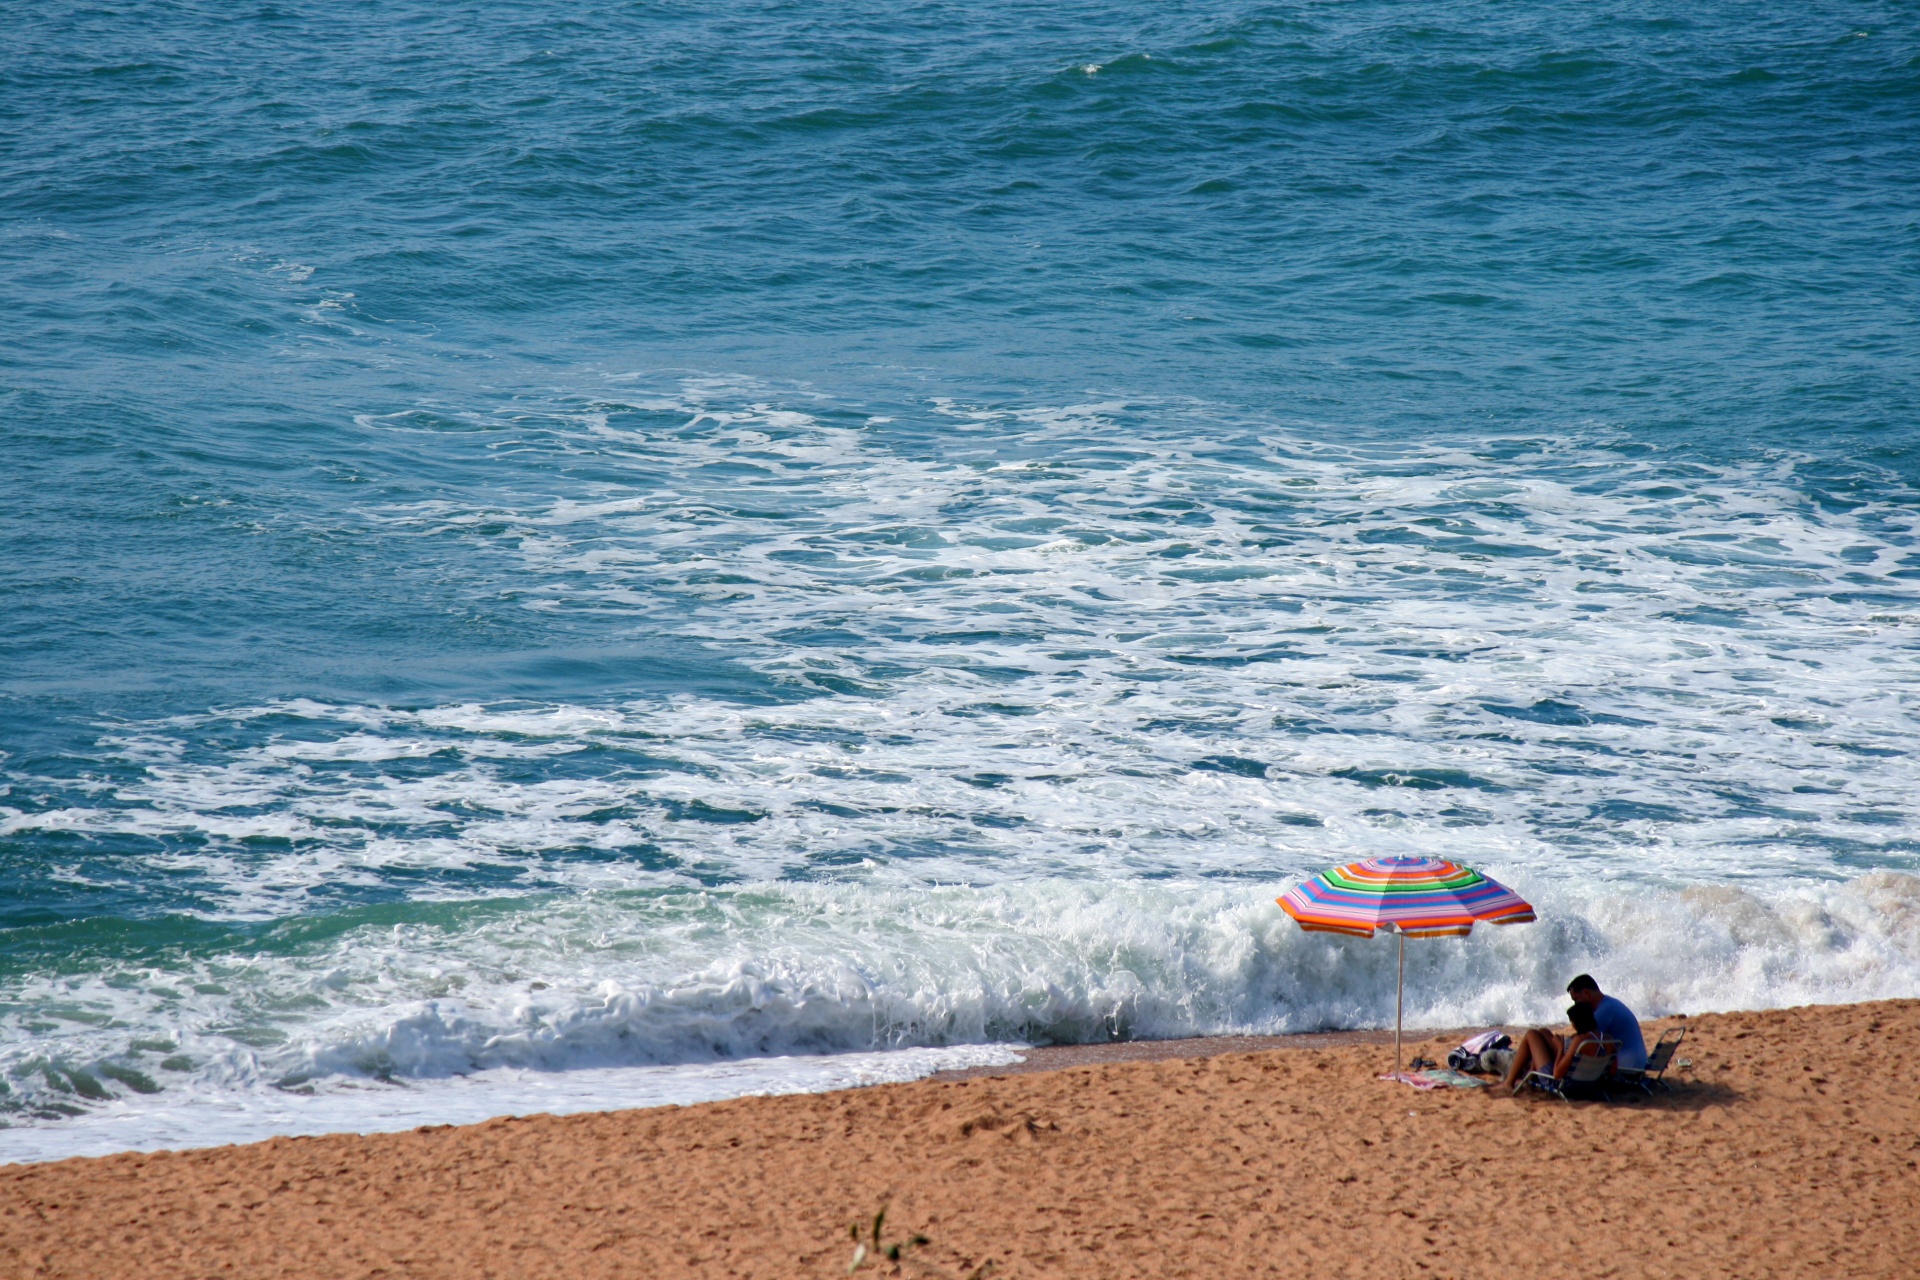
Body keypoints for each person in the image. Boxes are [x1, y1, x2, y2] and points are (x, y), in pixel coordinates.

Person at [1497, 1001, 1606, 1094]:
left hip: (1564, 1085)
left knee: (1532, 1034)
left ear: (1578, 1023)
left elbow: (1557, 1073)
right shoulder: (1607, 1039)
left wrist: (1560, 1049)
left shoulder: (1579, 1041)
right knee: (1543, 1032)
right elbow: (1612, 1070)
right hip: (1591, 1083)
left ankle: (1509, 1083)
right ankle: (1530, 1077)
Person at [1566, 973, 1646, 1072]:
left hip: (1627, 1067)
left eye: (1576, 1000)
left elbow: (1584, 1042)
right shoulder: (1610, 1004)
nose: (1575, 1005)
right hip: (1637, 1063)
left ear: (1587, 993)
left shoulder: (1603, 1012)